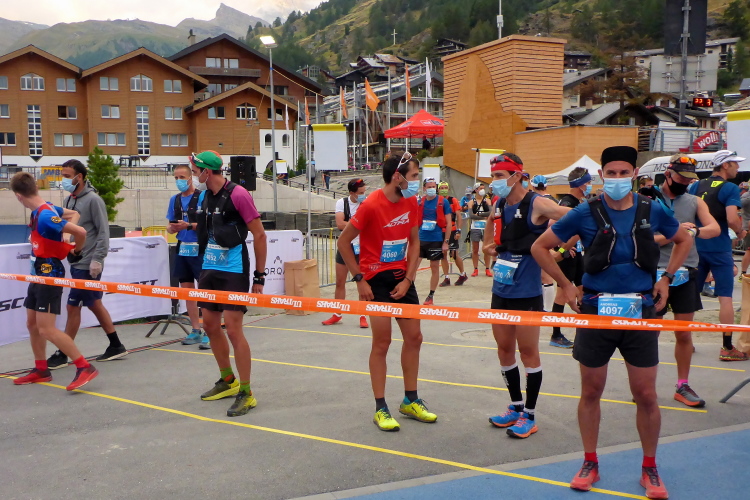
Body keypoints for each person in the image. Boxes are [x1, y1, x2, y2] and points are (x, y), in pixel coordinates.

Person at [532, 145, 691, 499]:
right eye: (611, 173)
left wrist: (666, 278)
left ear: (634, 174)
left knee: (646, 394)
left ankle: (650, 468)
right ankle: (589, 462)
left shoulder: (651, 208)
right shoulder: (585, 212)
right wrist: (566, 285)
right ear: (601, 175)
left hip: (640, 310)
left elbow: (683, 239)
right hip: (596, 310)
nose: (617, 178)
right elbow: (540, 247)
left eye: (623, 173)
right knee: (591, 391)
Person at [338, 153, 437, 432]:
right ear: (397, 176)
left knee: (415, 338)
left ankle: (410, 400)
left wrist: (408, 279)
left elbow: (414, 243)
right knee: (382, 343)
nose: (418, 181)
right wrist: (359, 279)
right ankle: (380, 407)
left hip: (402, 279)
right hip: (375, 282)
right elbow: (344, 243)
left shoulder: (411, 202)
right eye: (414, 176)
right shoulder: (370, 204)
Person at [481, 153, 570, 439]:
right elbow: (489, 231)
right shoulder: (499, 203)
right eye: (493, 176)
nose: (494, 182)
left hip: (527, 292)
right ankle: (516, 406)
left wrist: (561, 249)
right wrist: (489, 246)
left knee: (528, 352)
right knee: (504, 349)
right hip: (501, 288)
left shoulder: (537, 203)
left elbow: (574, 218)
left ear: (517, 175)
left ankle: (530, 415)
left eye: (499, 176)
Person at [192, 151, 268, 417]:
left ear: (207, 171)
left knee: (234, 331)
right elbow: (210, 227)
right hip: (209, 267)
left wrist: (259, 276)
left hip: (233, 270)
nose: (193, 174)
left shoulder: (239, 194)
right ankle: (227, 380)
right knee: (210, 326)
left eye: (195, 170)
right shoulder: (204, 196)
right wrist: (185, 227)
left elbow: (259, 235)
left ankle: (246, 392)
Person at [10, 172, 99, 391]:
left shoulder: (45, 215)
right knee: (32, 324)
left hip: (50, 274)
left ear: (19, 196)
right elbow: (74, 214)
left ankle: (84, 366)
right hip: (38, 272)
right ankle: (41, 369)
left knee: (46, 329)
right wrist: (65, 237)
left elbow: (80, 231)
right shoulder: (44, 209)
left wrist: (76, 250)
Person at [653, 156, 720, 407]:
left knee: (683, 333)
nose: (685, 183)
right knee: (650, 334)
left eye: (689, 179)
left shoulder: (694, 200)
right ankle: (645, 386)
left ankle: (683, 384)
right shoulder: (649, 199)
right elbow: (641, 238)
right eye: (681, 178)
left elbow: (714, 228)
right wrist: (676, 233)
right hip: (654, 273)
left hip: (686, 272)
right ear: (668, 174)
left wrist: (694, 231)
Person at [47, 159, 125, 370]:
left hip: (88, 263)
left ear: (79, 177)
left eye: (66, 176)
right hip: (76, 260)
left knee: (73, 306)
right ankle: (116, 345)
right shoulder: (69, 200)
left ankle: (63, 352)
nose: (63, 180)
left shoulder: (93, 200)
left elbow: (103, 232)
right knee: (94, 303)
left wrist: (98, 259)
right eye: (62, 176)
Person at [688, 150, 748, 361]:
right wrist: (740, 232)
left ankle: (685, 341)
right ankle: (727, 347)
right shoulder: (729, 187)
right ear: (725, 165)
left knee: (690, 295)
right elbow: (731, 218)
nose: (738, 168)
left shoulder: (696, 185)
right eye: (735, 164)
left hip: (696, 245)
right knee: (725, 297)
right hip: (719, 246)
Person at [548, 167, 593, 349]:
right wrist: (561, 248)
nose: (590, 185)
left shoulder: (579, 202)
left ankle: (583, 334)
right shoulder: (567, 202)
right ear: (580, 184)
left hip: (577, 254)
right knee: (561, 296)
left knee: (583, 292)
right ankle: (556, 335)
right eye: (588, 182)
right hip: (568, 255)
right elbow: (551, 225)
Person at [166, 164, 209, 349]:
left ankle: (210, 330)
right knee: (187, 291)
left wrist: (189, 225)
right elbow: (170, 224)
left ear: (191, 177)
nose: (179, 181)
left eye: (182, 177)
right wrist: (172, 228)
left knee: (205, 290)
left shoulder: (202, 197)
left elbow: (208, 224)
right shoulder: (174, 200)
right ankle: (195, 329)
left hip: (200, 248)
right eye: (176, 178)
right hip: (182, 248)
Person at [323, 178, 369, 328]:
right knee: (340, 282)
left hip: (362, 246)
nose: (363, 195)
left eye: (364, 192)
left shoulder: (367, 203)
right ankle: (337, 314)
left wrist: (352, 225)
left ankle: (362, 315)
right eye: (360, 193)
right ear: (352, 193)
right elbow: (340, 223)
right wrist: (359, 225)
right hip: (346, 246)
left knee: (361, 281)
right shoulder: (342, 203)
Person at [418, 177, 453, 305]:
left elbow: (449, 223)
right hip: (421, 238)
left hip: (436, 239)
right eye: (429, 187)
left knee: (434, 267)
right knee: (413, 266)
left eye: (433, 187)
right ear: (424, 188)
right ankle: (408, 291)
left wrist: (446, 242)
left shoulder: (443, 202)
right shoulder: (420, 202)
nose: (432, 189)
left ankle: (431, 295)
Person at [529, 175, 557, 312]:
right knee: (543, 276)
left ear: (533, 186)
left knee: (545, 276)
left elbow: (553, 222)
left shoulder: (538, 201)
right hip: (548, 241)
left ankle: (546, 309)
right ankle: (545, 307)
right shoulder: (553, 200)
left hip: (541, 242)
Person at [438, 181, 468, 286]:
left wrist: (459, 230)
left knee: (454, 254)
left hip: (452, 230)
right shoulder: (437, 200)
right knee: (443, 254)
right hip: (440, 231)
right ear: (438, 190)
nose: (443, 190)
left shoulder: (453, 200)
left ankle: (463, 274)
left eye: (445, 188)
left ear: (448, 189)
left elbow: (459, 216)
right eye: (441, 188)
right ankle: (446, 277)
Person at [467, 182, 493, 277]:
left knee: (486, 248)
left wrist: (478, 214)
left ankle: (487, 268)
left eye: (483, 188)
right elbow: (471, 215)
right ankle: (475, 268)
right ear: (476, 190)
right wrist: (483, 216)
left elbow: (490, 213)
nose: (482, 190)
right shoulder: (471, 202)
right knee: (475, 249)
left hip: (485, 227)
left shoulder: (487, 201)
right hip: (475, 227)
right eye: (480, 188)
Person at [740, 182, 750, 275]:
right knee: (749, 250)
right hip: (748, 227)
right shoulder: (746, 196)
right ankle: (743, 273)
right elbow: (739, 204)